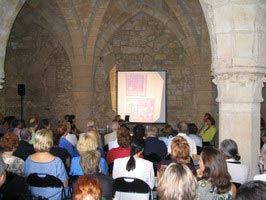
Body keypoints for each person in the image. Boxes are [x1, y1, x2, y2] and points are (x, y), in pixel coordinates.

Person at [24, 129, 68, 200]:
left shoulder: (28, 159)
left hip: (34, 196)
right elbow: (65, 184)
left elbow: (26, 180)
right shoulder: (57, 161)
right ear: (50, 142)